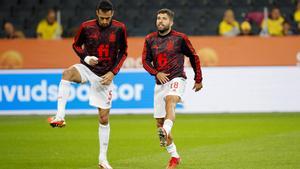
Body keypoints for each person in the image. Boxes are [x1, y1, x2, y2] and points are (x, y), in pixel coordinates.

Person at [47, 0, 127, 168]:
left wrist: (113, 72)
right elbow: (75, 44)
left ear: (112, 14)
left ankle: (102, 160)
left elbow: (124, 52)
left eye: (108, 18)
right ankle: (60, 116)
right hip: (87, 67)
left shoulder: (120, 28)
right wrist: (86, 58)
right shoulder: (86, 26)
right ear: (97, 13)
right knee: (67, 73)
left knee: (104, 118)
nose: (105, 21)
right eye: (102, 17)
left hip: (105, 75)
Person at [142, 8, 203, 169]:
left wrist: (198, 78)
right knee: (159, 122)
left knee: (171, 99)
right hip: (159, 83)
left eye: (164, 18)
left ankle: (166, 129)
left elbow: (193, 56)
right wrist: (156, 72)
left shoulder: (180, 38)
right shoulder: (149, 39)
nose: (160, 21)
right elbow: (145, 61)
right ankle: (175, 156)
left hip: (177, 77)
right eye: (158, 18)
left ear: (171, 22)